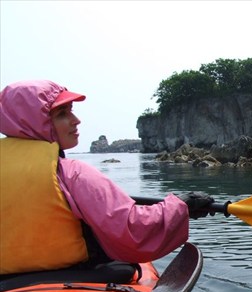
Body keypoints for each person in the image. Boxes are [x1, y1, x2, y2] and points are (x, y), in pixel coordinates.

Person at [0, 79, 213, 279]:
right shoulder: (72, 174)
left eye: (71, 111)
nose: (76, 120)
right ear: (36, 122)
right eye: (62, 114)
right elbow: (133, 229)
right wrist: (181, 205)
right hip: (71, 277)